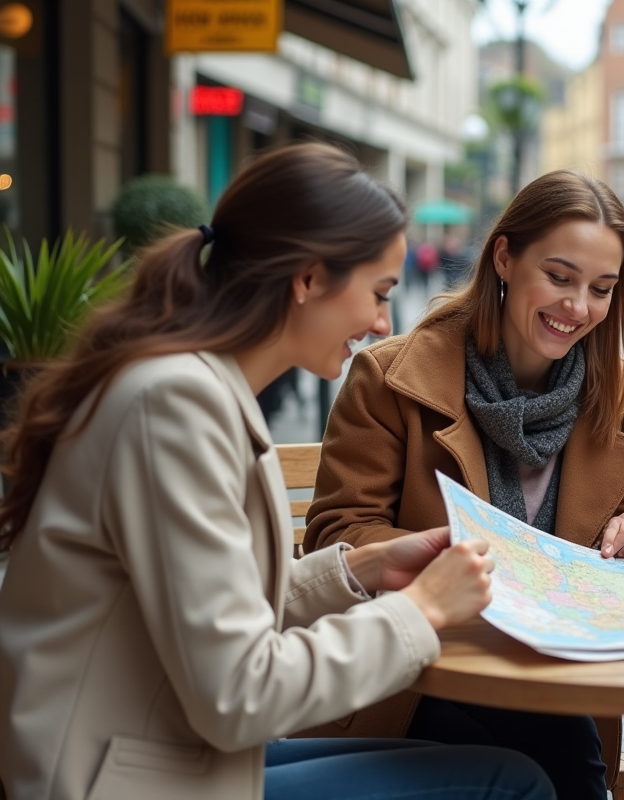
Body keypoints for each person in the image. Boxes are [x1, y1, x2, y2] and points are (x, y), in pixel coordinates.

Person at [0, 143, 554, 800]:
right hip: (111, 779)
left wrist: (359, 570)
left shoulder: (190, 387)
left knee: (486, 762)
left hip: (149, 750)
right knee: (508, 782)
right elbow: (239, 693)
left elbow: (206, 607)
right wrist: (421, 609)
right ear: (309, 278)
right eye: (378, 293)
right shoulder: (176, 404)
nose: (382, 323)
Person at [300, 169, 624, 800]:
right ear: (504, 256)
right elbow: (337, 537)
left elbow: (621, 536)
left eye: (601, 289)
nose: (578, 308)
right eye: (558, 277)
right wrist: (460, 565)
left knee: (553, 738)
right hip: (416, 675)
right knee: (553, 748)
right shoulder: (392, 378)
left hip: (555, 680)